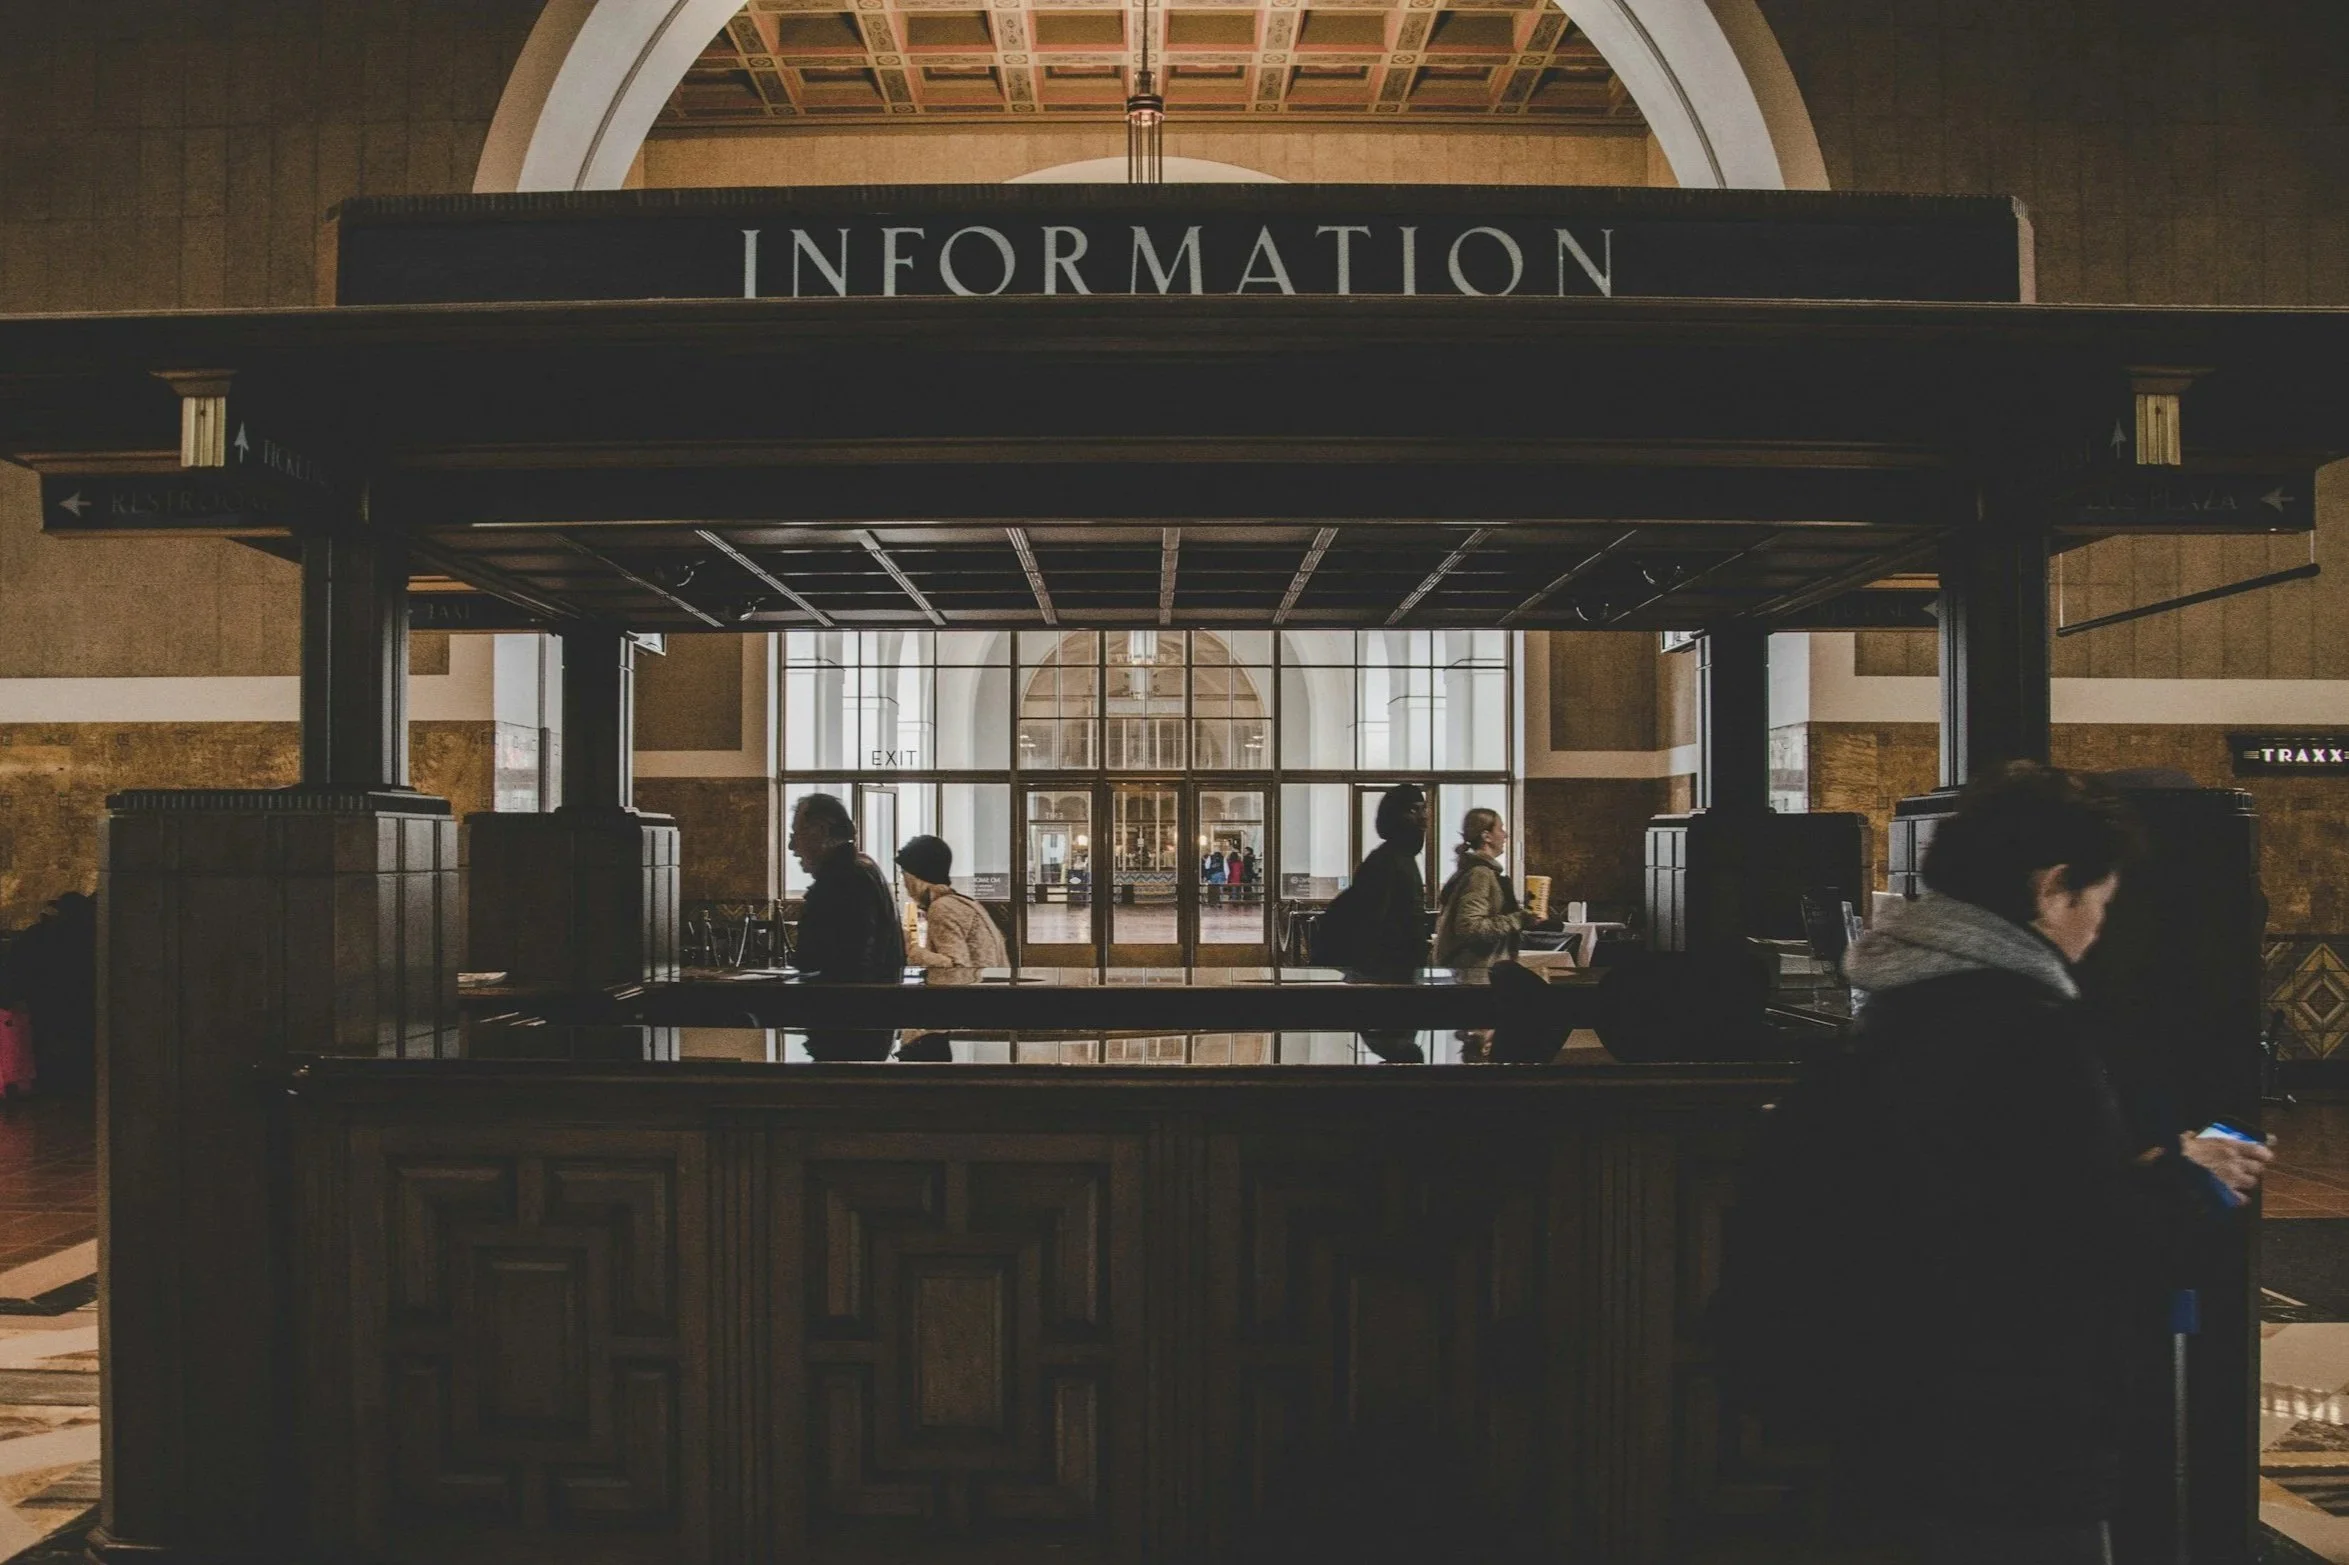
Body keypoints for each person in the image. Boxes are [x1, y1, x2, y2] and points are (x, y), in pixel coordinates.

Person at [1718, 763, 2271, 1564]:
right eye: (2097, 903)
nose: (2095, 930)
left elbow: (1980, 1197)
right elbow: (2080, 1243)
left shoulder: (1897, 1010)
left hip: (1884, 1424)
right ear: (2052, 888)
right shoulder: (2025, 1032)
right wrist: (2192, 1176)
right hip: (2008, 1443)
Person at [786, 793, 905, 1061]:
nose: (792, 845)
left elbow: (843, 964)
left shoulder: (842, 880)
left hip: (846, 1033)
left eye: (797, 833)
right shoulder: (863, 869)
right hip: (868, 1030)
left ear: (821, 831)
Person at [894, 834, 1007, 1062]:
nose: (903, 882)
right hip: (994, 1004)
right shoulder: (963, 902)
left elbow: (957, 967)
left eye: (904, 874)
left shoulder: (942, 908)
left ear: (916, 877)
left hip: (976, 1011)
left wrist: (911, 951)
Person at [1344, 784, 1431, 1064]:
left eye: (1424, 808)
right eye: (1417, 809)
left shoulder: (1393, 859)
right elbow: (1371, 927)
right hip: (1389, 982)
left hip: (1394, 979)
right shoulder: (1391, 862)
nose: (1425, 817)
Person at [1433, 808, 1523, 982]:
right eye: (1500, 828)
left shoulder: (1469, 871)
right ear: (1486, 836)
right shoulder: (1480, 874)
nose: (1505, 835)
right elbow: (1471, 928)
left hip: (1469, 972)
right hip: (1475, 973)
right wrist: (1517, 919)